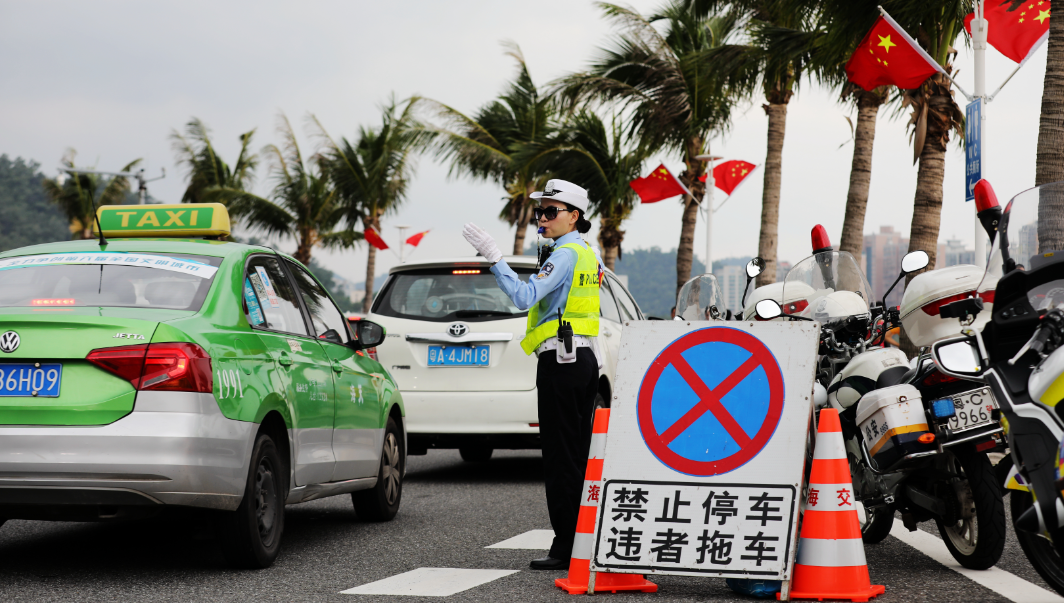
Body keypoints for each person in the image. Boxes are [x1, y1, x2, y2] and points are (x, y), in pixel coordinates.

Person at [462, 179, 601, 571]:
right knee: (578, 453)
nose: (542, 217)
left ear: (574, 216)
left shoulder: (566, 254)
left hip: (562, 360)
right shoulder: (588, 252)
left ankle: (566, 545)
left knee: (561, 456)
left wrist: (494, 258)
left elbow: (524, 297)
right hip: (583, 359)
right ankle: (581, 540)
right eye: (539, 211)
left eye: (550, 211)